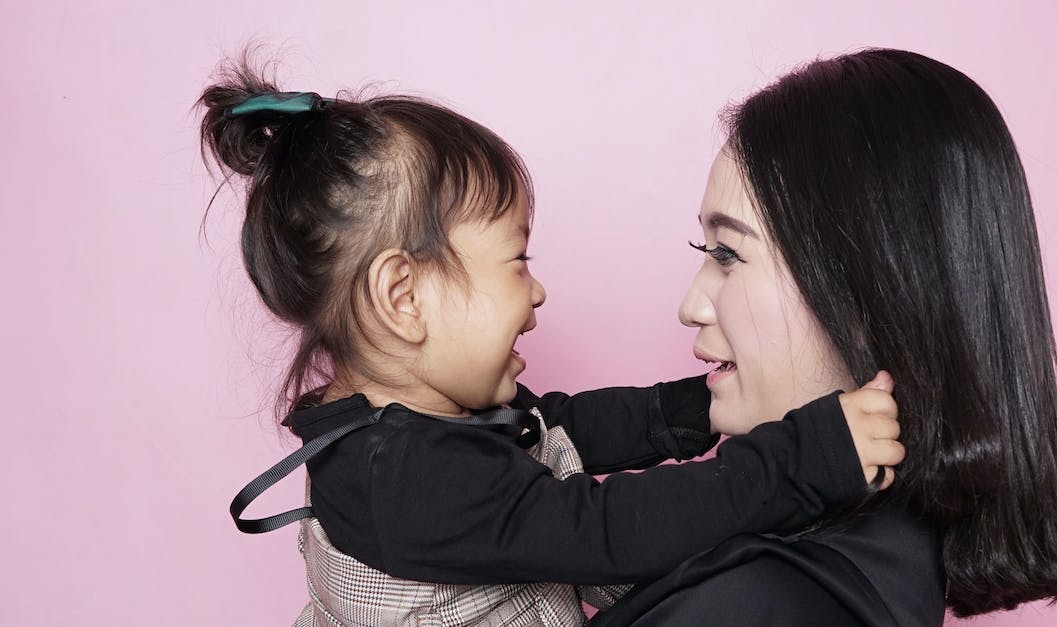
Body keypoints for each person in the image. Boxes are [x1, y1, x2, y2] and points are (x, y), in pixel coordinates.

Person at [199, 58, 907, 626]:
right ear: (404, 298)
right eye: (517, 260)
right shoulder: (404, 479)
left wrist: (696, 403)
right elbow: (606, 530)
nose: (536, 293)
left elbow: (558, 424)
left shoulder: (412, 414)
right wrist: (804, 457)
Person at [594, 48, 1057, 626]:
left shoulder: (755, 605)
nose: (691, 307)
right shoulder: (853, 567)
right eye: (705, 251)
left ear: (874, 291)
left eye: (728, 253)